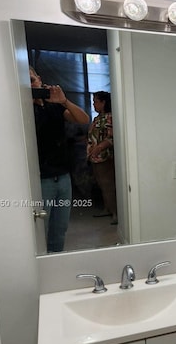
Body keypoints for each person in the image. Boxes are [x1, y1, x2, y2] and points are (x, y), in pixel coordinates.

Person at [30, 66, 90, 252]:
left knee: (60, 227)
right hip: (41, 178)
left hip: (63, 177)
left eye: (32, 80)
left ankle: (55, 260)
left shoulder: (54, 105)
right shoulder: (23, 110)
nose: (31, 85)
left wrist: (64, 101)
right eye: (25, 82)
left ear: (39, 79)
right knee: (41, 228)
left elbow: (83, 119)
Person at [87, 91, 117, 225]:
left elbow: (111, 138)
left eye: (96, 101)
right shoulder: (97, 118)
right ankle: (107, 208)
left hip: (104, 156)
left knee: (108, 185)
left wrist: (98, 148)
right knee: (101, 185)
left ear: (104, 102)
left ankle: (116, 212)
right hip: (94, 157)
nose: (94, 104)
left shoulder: (110, 117)